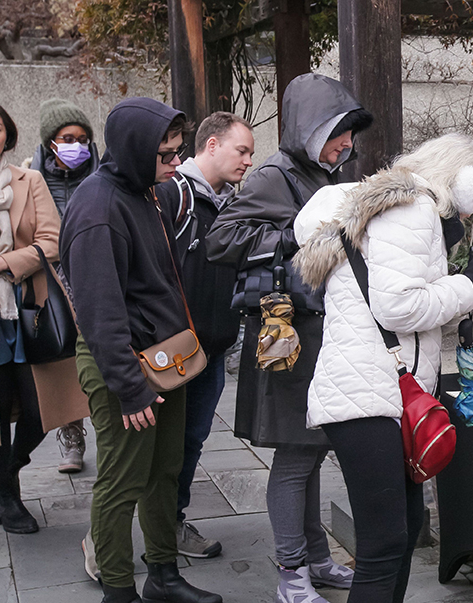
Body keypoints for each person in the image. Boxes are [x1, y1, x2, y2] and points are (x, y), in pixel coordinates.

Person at [293, 133, 473, 603]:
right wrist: (472, 284)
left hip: (377, 390)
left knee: (406, 528)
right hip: (367, 394)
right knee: (384, 543)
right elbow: (399, 308)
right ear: (467, 184)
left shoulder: (401, 207)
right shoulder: (411, 209)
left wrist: (460, 280)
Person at [205, 73, 368, 603]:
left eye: (349, 134)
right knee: (297, 455)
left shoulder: (322, 172)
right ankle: (291, 574)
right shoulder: (276, 174)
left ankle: (316, 559)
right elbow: (220, 238)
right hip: (289, 337)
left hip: (320, 334)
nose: (345, 145)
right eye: (336, 133)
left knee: (313, 447)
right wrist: (295, 234)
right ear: (307, 128)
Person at [60, 97, 222, 603]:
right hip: (126, 364)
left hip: (162, 357)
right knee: (122, 480)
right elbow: (98, 308)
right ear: (135, 150)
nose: (177, 164)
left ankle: (163, 577)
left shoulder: (143, 190)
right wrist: (129, 388)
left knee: (163, 472)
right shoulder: (98, 207)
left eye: (178, 153)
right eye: (168, 155)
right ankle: (117, 589)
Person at [0, 98, 89, 534]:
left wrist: (0, 264)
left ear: (8, 134)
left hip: (30, 311)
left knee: (40, 407)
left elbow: (53, 242)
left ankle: (8, 470)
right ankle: (7, 497)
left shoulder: (29, 181)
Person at [153, 111, 253, 558]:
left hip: (212, 348)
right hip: (173, 350)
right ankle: (114, 534)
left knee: (191, 441)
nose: (249, 160)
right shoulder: (171, 194)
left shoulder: (232, 202)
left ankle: (170, 524)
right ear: (211, 145)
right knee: (158, 448)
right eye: (242, 150)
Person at [30, 98, 100, 474]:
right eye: (66, 137)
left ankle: (108, 428)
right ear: (49, 143)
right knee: (66, 360)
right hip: (57, 281)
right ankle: (72, 434)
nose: (76, 145)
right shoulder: (33, 181)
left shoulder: (102, 177)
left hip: (96, 274)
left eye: (83, 138)